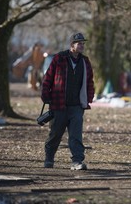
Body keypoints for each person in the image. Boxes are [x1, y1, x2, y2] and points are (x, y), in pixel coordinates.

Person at [41, 32, 95, 170]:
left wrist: (88, 98)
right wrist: (45, 95)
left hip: (77, 106)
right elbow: (48, 78)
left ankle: (77, 161)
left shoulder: (85, 61)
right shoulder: (59, 58)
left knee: (76, 136)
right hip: (58, 105)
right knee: (55, 135)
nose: (82, 46)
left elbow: (89, 82)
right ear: (72, 45)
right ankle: (49, 158)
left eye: (83, 43)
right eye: (79, 43)